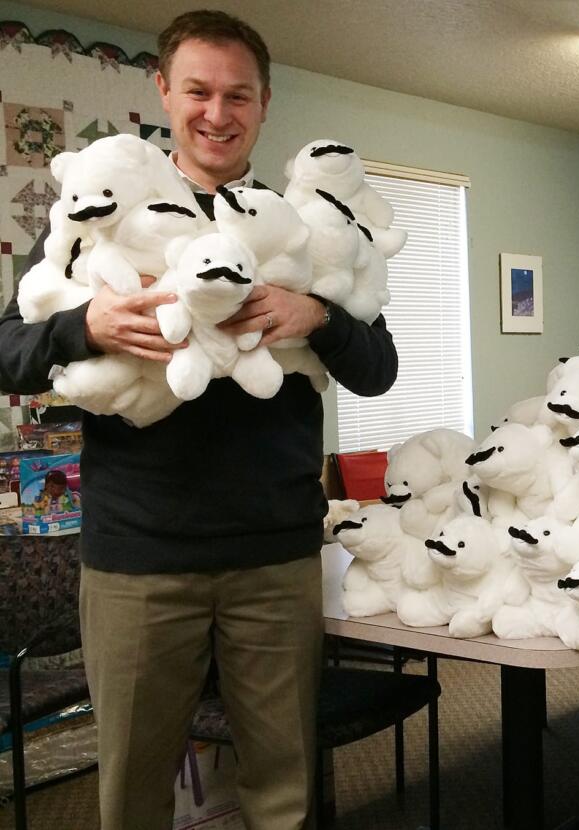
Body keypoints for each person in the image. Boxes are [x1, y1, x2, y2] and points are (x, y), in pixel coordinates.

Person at [0, 10, 397, 829]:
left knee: (285, 790)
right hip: (138, 562)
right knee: (134, 795)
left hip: (276, 557)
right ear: (164, 92)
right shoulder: (106, 210)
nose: (218, 112)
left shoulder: (306, 230)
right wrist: (88, 328)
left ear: (264, 103)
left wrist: (315, 313)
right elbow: (7, 348)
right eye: (199, 91)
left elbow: (379, 370)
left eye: (238, 95)